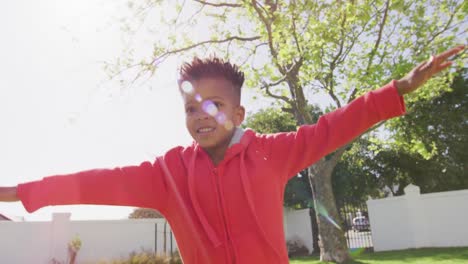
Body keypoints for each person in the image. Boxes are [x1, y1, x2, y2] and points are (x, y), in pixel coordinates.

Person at [0, 45, 464, 263]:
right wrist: (17, 192)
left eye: (214, 105)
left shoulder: (272, 154)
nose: (201, 115)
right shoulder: (168, 173)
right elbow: (93, 182)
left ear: (239, 113)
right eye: (189, 107)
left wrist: (397, 89)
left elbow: (332, 127)